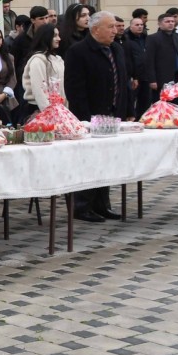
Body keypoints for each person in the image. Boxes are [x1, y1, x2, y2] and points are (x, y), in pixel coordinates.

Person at [64, 11, 130, 222]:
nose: (115, 30)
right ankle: (82, 206)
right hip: (90, 117)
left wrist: (127, 111)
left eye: (115, 26)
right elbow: (75, 88)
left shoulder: (116, 49)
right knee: (88, 162)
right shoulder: (79, 51)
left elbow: (123, 81)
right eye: (110, 27)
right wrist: (85, 118)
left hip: (113, 115)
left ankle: (102, 204)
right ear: (95, 29)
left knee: (107, 161)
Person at [143, 12, 178, 108]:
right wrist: (152, 80)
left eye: (172, 21)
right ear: (160, 24)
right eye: (167, 21)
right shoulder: (153, 38)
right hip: (162, 79)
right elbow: (149, 61)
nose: (171, 23)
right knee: (163, 106)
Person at [20, 24, 65, 113]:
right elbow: (39, 89)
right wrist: (48, 113)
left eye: (58, 35)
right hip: (39, 110)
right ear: (46, 37)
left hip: (58, 109)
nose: (59, 39)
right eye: (55, 36)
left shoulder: (58, 59)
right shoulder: (38, 60)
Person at [124, 14, 150, 117]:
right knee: (131, 101)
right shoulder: (126, 39)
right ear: (131, 26)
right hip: (133, 76)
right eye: (137, 24)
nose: (140, 26)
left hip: (146, 75)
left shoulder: (146, 38)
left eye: (141, 24)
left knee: (145, 101)